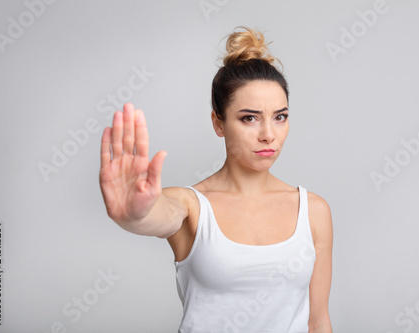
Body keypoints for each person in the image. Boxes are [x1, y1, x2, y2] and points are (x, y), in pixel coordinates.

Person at [99, 26, 333, 333]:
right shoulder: (190, 205)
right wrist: (133, 214)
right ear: (218, 123)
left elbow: (317, 322)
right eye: (249, 117)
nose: (268, 134)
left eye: (280, 116)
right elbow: (156, 216)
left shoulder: (313, 210)